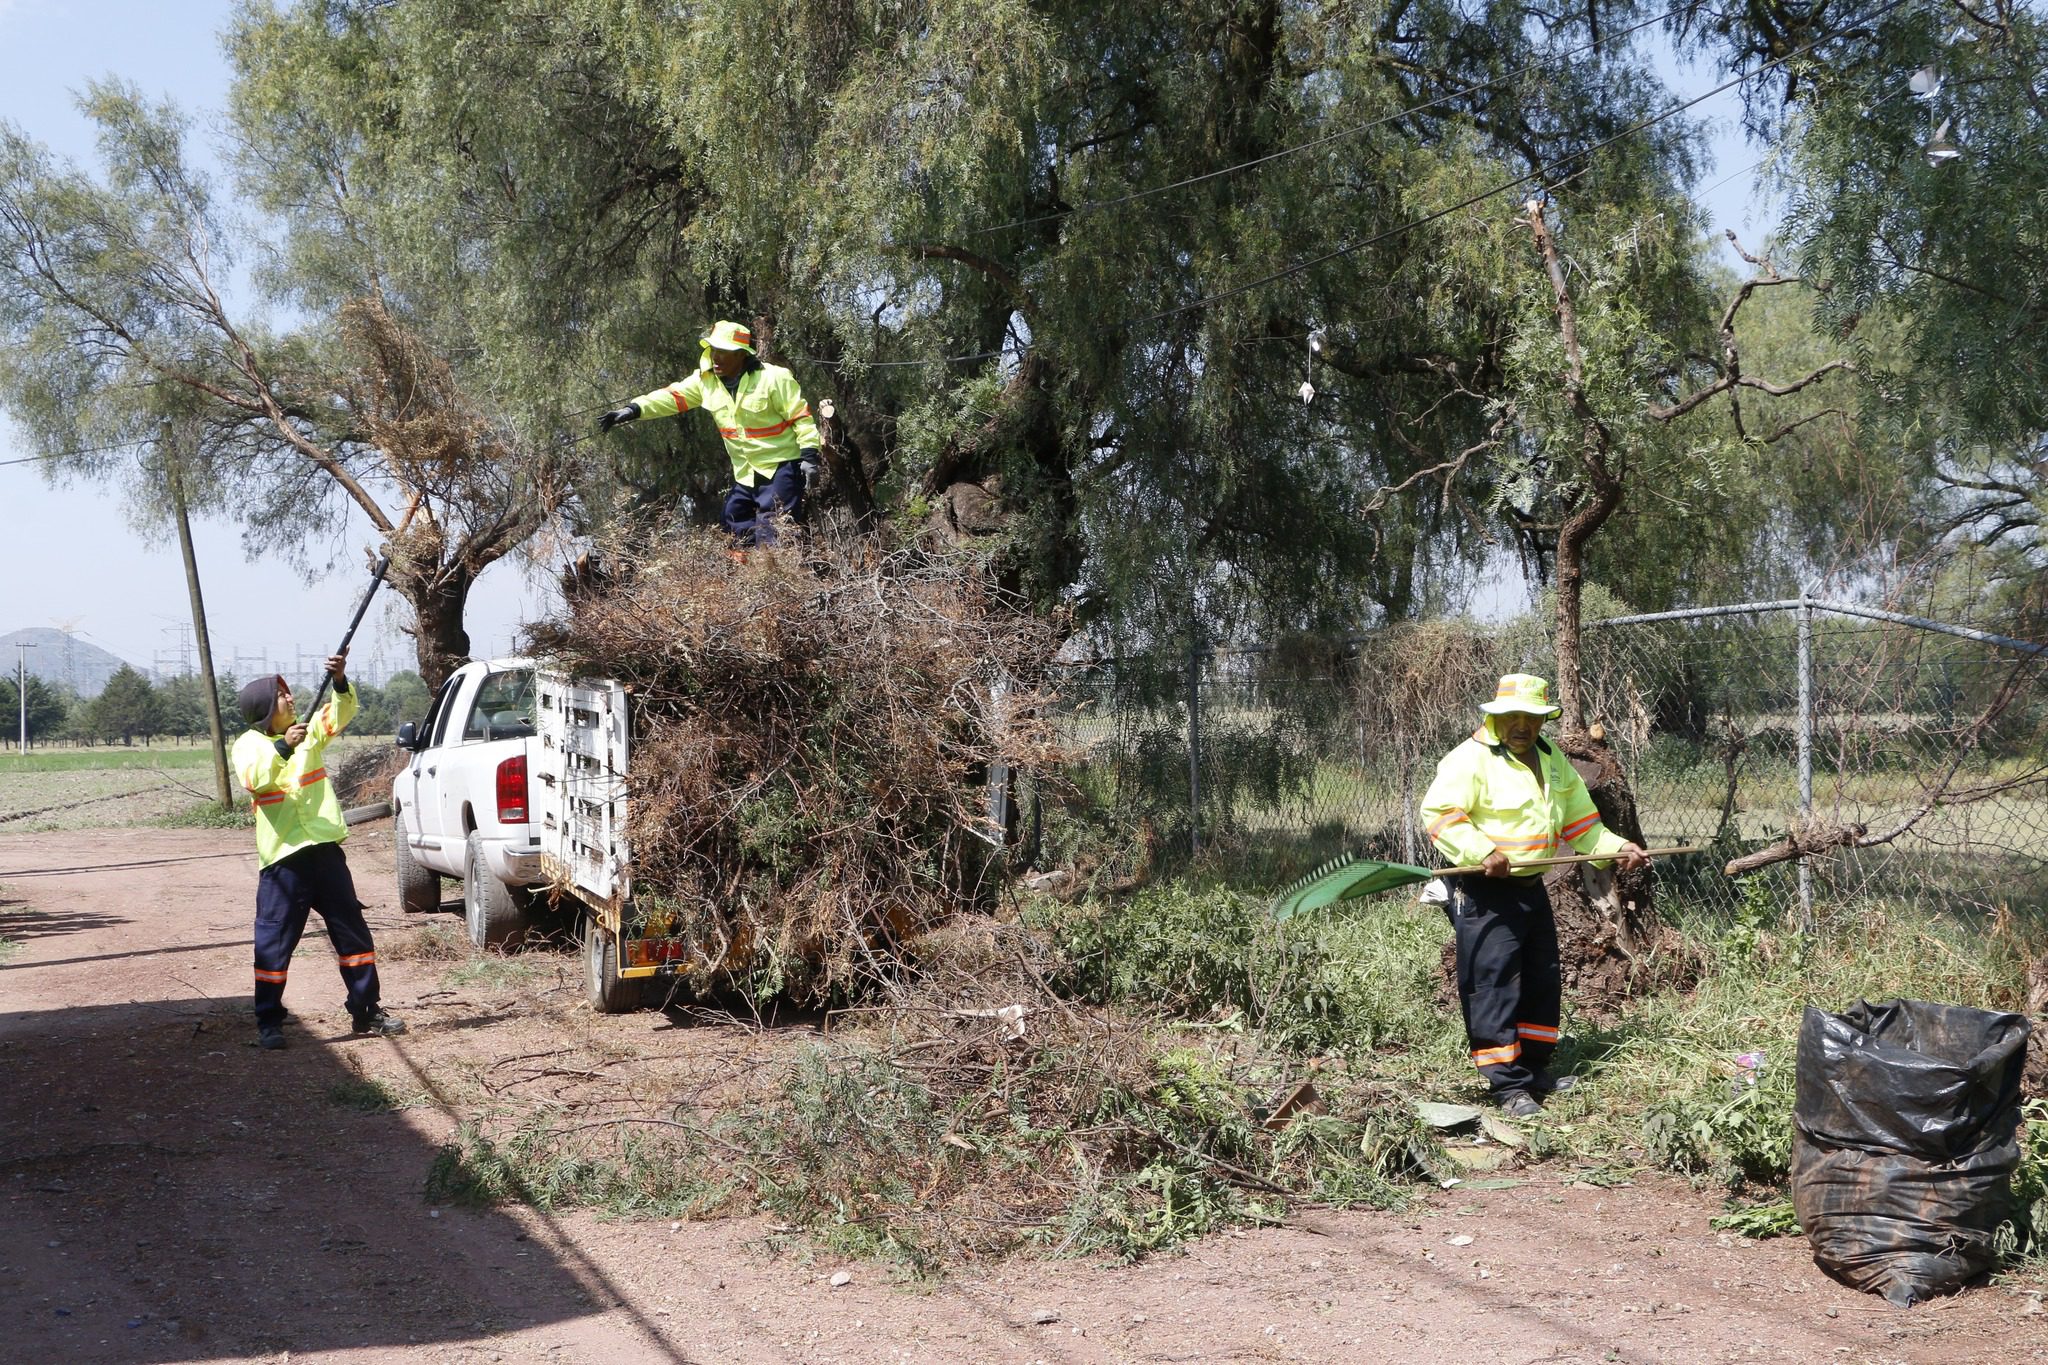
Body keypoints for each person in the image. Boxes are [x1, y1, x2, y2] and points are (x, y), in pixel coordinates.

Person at [1418, 673, 1646, 1118]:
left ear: (1544, 720)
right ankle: (1507, 1085)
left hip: (1530, 886)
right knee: (1493, 984)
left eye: (1532, 717)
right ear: (1495, 716)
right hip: (1484, 891)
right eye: (1513, 716)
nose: (1522, 725)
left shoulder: (1552, 759)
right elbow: (1441, 815)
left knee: (1542, 977)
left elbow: (1582, 826)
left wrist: (1616, 848)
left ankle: (1535, 1070)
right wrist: (1482, 850)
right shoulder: (1469, 760)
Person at [232, 653, 405, 1050]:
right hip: (283, 860)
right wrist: (283, 748)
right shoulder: (249, 745)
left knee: (352, 934)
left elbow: (340, 713)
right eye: (281, 696)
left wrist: (341, 681)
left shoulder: (307, 732)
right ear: (263, 710)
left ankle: (366, 1010)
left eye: (290, 694)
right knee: (273, 943)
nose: (291, 700)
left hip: (325, 852)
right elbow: (254, 780)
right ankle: (269, 1022)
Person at [597, 320, 822, 551]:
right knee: (731, 522)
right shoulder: (705, 382)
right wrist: (634, 409)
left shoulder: (774, 378)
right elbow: (671, 397)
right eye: (713, 350)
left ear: (741, 355)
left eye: (724, 352)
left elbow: (801, 418)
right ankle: (747, 578)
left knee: (775, 530)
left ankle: (779, 576)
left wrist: (809, 457)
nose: (716, 357)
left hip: (781, 467)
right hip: (745, 472)